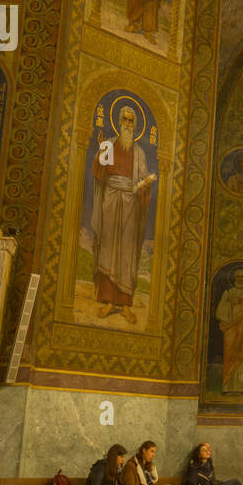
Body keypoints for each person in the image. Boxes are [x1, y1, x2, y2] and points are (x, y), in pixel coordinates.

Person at [90, 105, 156, 324]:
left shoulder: (139, 153)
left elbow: (144, 179)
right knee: (109, 248)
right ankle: (109, 301)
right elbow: (99, 172)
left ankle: (125, 304)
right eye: (125, 120)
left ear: (135, 126)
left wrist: (145, 184)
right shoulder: (109, 144)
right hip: (110, 200)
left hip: (130, 204)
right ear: (119, 121)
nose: (127, 124)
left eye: (131, 121)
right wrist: (101, 153)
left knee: (126, 252)